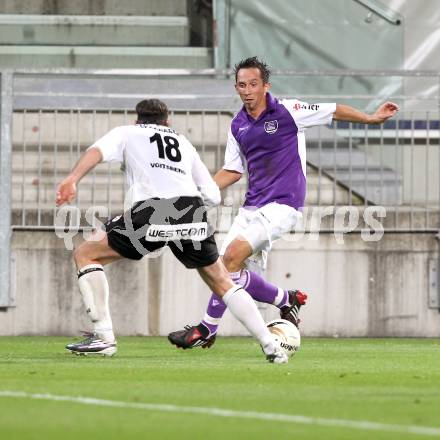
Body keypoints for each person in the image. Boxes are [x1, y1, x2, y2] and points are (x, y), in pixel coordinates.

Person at [168, 56, 399, 349]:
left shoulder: (289, 110)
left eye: (254, 84)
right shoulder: (237, 125)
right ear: (236, 88)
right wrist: (199, 193)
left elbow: (333, 110)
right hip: (252, 206)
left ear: (266, 86)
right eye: (242, 85)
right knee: (223, 271)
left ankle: (205, 330)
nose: (248, 90)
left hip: (284, 204)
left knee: (229, 260)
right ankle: (287, 299)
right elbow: (233, 170)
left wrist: (370, 118)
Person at [55, 98, 289, 363]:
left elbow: (95, 152)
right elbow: (212, 194)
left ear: (137, 119)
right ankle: (271, 346)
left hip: (152, 212)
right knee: (223, 281)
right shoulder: (182, 141)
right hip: (192, 211)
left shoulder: (126, 132)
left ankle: (104, 337)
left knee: (86, 254)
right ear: (167, 121)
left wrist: (72, 179)